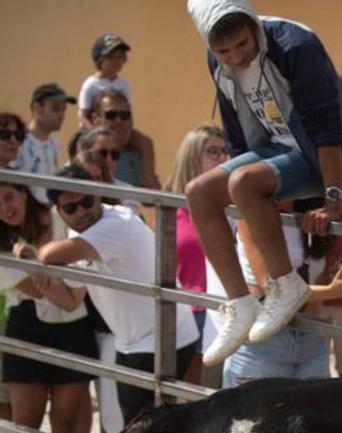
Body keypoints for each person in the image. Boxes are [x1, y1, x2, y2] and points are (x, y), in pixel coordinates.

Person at [184, 0, 342, 367]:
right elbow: (235, 126)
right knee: (199, 192)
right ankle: (240, 303)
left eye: (242, 44)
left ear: (253, 25)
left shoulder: (295, 46)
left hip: (331, 154)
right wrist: (238, 180)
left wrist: (332, 200)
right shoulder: (217, 60)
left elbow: (325, 125)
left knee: (244, 182)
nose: (236, 57)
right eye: (224, 51)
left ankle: (286, 284)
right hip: (277, 148)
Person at [36, 165, 199, 424]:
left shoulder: (115, 225)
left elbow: (48, 255)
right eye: (71, 208)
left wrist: (35, 258)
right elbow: (71, 301)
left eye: (87, 201)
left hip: (163, 338)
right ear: (59, 211)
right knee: (143, 432)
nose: (82, 212)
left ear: (98, 195)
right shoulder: (79, 235)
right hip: (137, 340)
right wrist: (39, 278)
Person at [0, 181, 97, 433]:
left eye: (9, 197)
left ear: (24, 193)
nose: (5, 208)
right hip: (26, 327)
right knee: (23, 425)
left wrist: (35, 263)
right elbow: (62, 296)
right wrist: (33, 264)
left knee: (65, 422)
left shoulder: (63, 220)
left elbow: (72, 299)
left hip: (74, 332)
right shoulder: (3, 243)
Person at [222, 198, 342, 387]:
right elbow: (271, 287)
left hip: (313, 338)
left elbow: (316, 278)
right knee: (258, 415)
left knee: (314, 416)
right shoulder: (252, 214)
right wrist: (334, 291)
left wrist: (338, 279)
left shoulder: (314, 215)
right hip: (265, 339)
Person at [164, 124, 229, 383]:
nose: (223, 158)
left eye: (225, 151)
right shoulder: (169, 209)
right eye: (213, 152)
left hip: (221, 312)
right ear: (192, 157)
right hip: (186, 315)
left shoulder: (231, 208)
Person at [78, 32, 158, 185]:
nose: (117, 61)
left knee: (145, 142)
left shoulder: (124, 84)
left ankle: (148, 180)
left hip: (118, 130)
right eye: (112, 57)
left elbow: (128, 113)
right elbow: (82, 115)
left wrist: (126, 133)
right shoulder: (91, 84)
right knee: (86, 147)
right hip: (92, 130)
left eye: (120, 57)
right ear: (99, 59)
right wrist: (95, 133)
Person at [16, 84, 75, 178]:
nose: (61, 115)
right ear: (37, 108)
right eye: (55, 109)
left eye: (63, 109)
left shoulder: (54, 142)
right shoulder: (18, 142)